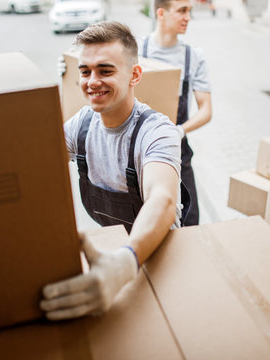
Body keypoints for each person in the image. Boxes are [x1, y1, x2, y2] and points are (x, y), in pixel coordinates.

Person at [40, 20, 182, 321]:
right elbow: (37, 163)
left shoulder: (156, 131)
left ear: (134, 75)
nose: (92, 81)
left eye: (105, 71)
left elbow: (163, 199)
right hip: (113, 251)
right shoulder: (82, 124)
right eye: (84, 71)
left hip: (158, 256)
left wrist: (124, 264)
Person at [138, 0, 212, 226]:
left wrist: (179, 131)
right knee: (144, 224)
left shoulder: (193, 56)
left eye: (189, 11)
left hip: (179, 153)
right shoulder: (136, 51)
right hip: (139, 154)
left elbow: (206, 110)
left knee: (190, 223)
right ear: (161, 13)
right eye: (182, 11)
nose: (188, 17)